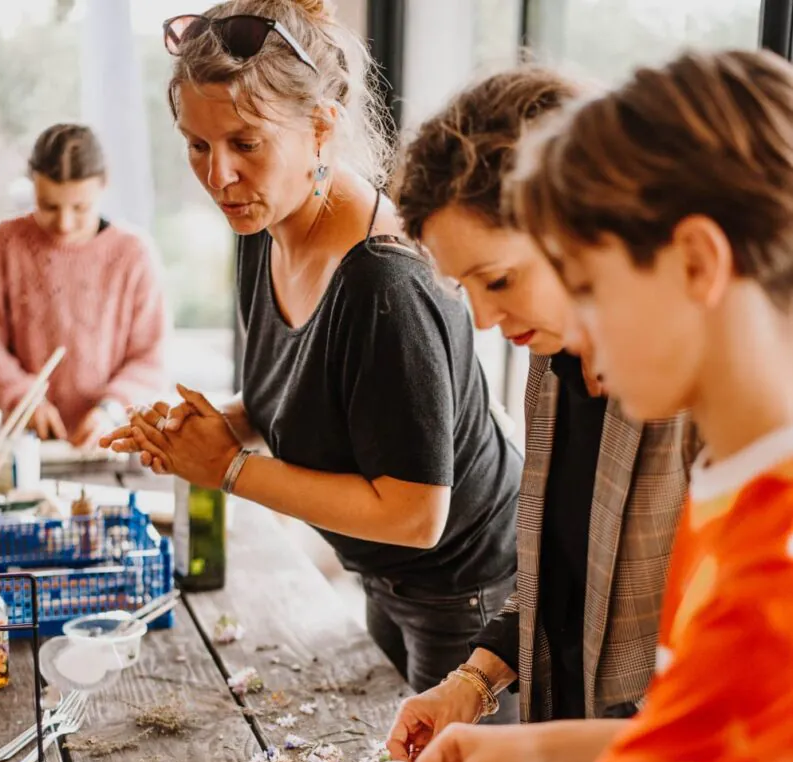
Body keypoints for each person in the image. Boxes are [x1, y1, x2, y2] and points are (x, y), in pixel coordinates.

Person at [223, 49, 793, 762]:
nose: (567, 328)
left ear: (692, 261)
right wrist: (525, 739)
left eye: (583, 280)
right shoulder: (743, 482)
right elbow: (725, 744)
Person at [102, 0, 522, 701]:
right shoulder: (262, 226)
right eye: (197, 145)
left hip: (467, 591)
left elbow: (415, 515)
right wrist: (215, 427)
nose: (218, 176)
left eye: (245, 142)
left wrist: (229, 468)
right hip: (382, 574)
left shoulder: (384, 283)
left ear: (321, 126)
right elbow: (307, 394)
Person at [387, 68, 697, 762]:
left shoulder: (706, 398)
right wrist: (473, 682)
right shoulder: (551, 362)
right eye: (466, 292)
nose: (485, 320)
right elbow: (556, 579)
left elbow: (735, 703)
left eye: (497, 279)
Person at [0, 124, 166, 448]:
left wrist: (112, 409)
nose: (64, 223)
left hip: (114, 442)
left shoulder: (134, 254)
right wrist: (20, 396)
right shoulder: (5, 244)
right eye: (49, 206)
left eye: (80, 208)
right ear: (33, 188)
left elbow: (150, 358)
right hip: (26, 445)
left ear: (104, 184)